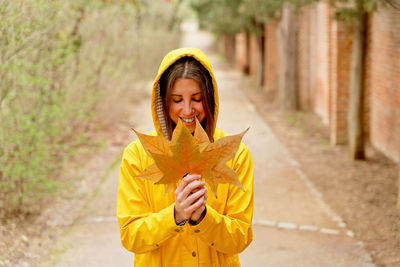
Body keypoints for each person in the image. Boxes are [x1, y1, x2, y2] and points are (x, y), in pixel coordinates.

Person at [117, 47, 254, 266]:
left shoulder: (234, 155)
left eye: (197, 98)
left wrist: (204, 218)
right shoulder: (138, 155)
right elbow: (131, 236)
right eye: (177, 100)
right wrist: (175, 215)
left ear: (210, 98)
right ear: (163, 101)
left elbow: (240, 238)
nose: (188, 110)